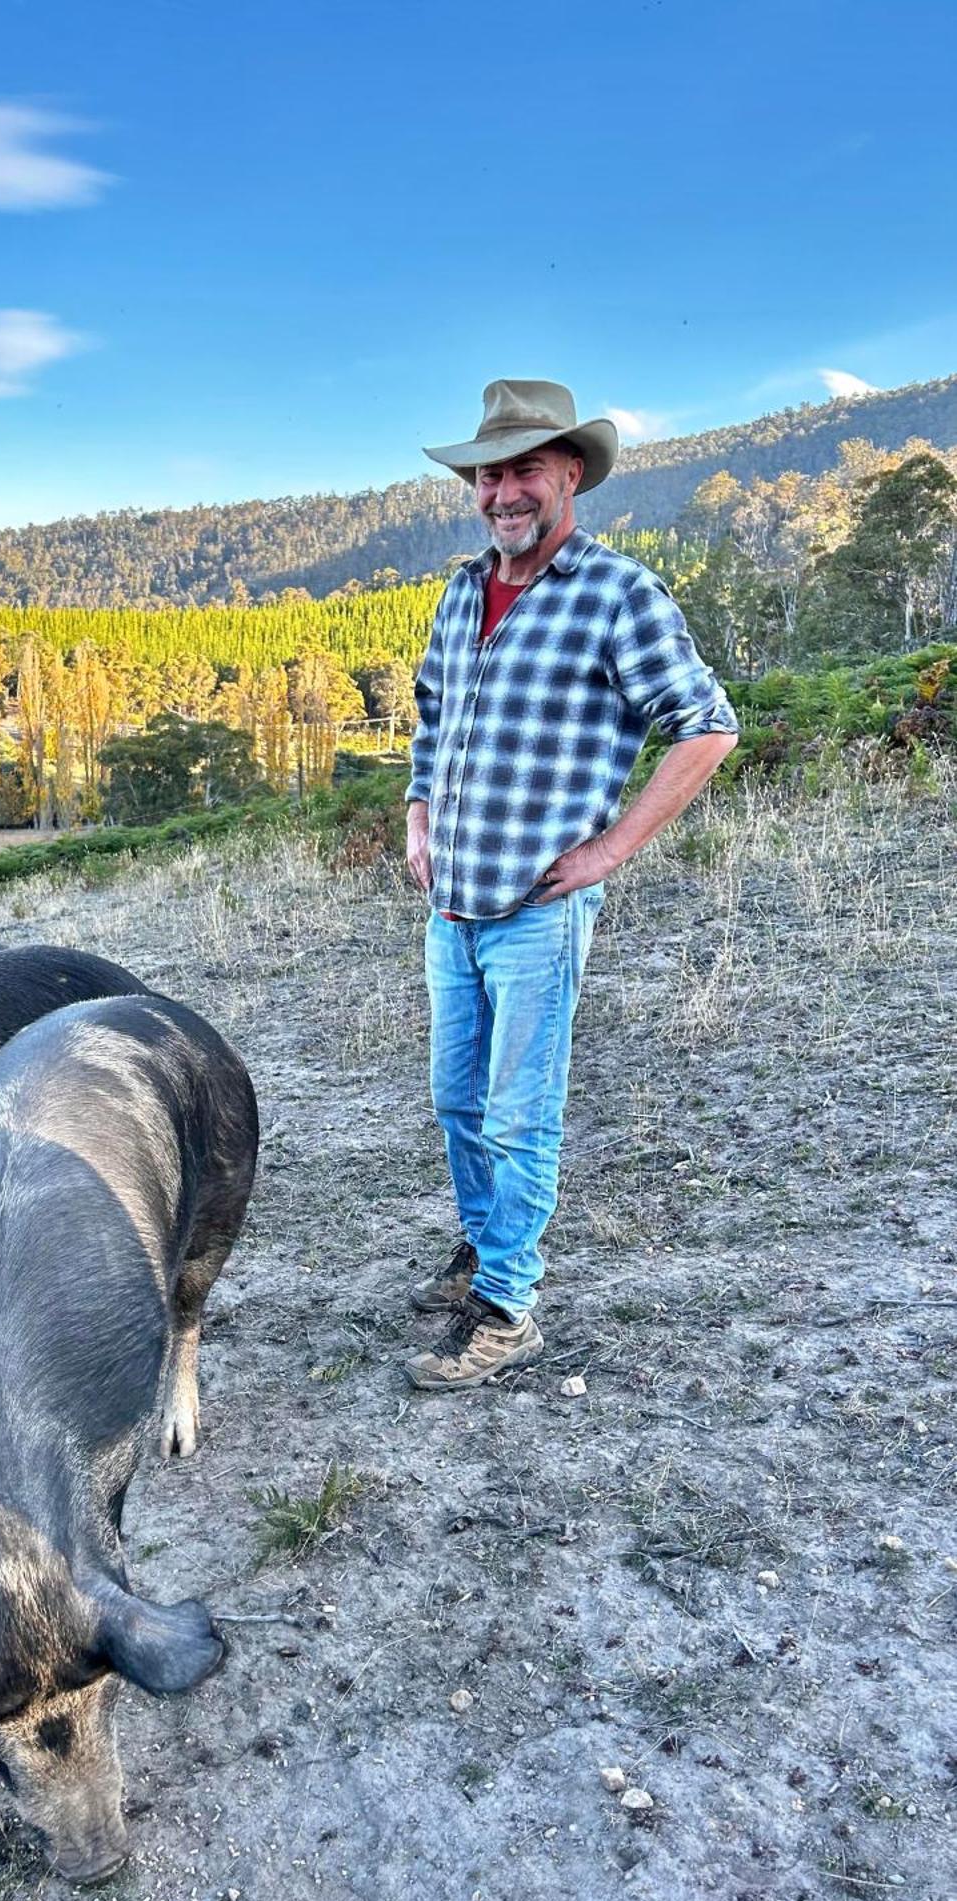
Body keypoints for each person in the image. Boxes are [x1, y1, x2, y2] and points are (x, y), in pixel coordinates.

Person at [402, 379, 739, 1392]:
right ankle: (478, 1250)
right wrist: (416, 811)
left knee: (519, 1114)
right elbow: (431, 714)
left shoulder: (617, 593)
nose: (502, 491)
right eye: (489, 473)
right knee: (455, 1100)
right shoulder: (465, 590)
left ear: (571, 475)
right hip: (450, 905)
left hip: (539, 912)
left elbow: (708, 726)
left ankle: (508, 1307)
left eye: (523, 471)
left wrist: (609, 850)